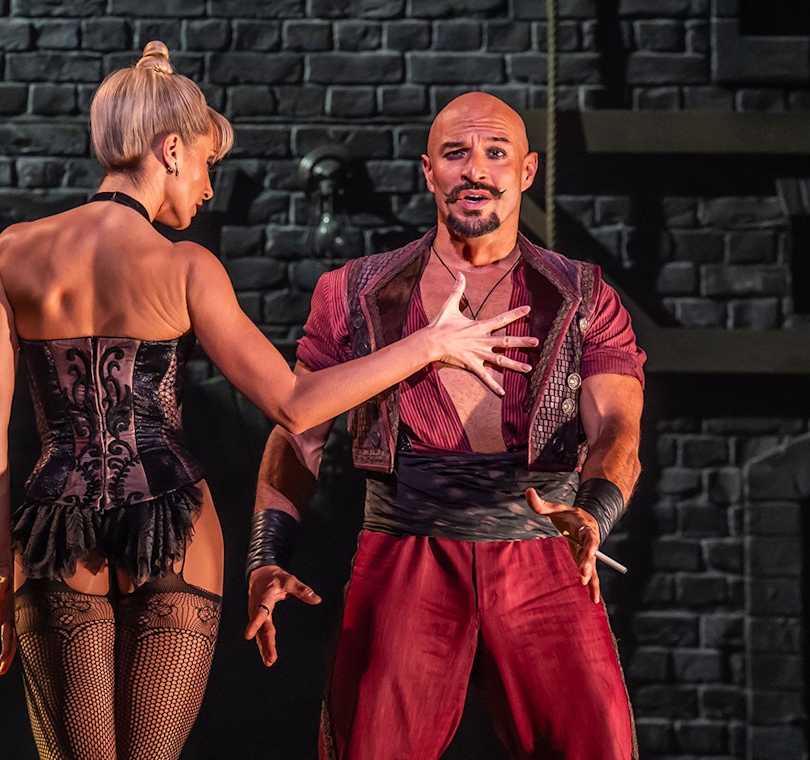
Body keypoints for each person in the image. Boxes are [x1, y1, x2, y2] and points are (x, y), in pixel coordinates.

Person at [0, 48, 537, 760]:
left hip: (55, 523)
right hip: (172, 518)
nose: (208, 187)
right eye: (206, 163)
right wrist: (430, 345)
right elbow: (296, 405)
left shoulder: (14, 251)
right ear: (170, 151)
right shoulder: (184, 267)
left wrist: (0, 565)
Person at [245, 91, 647, 759]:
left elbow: (618, 431)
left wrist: (595, 513)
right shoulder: (354, 291)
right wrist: (266, 556)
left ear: (526, 171)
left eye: (496, 153)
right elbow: (299, 433)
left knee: (596, 745)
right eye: (456, 154)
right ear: (429, 171)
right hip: (406, 552)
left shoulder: (583, 295)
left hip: (545, 551)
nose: (476, 170)